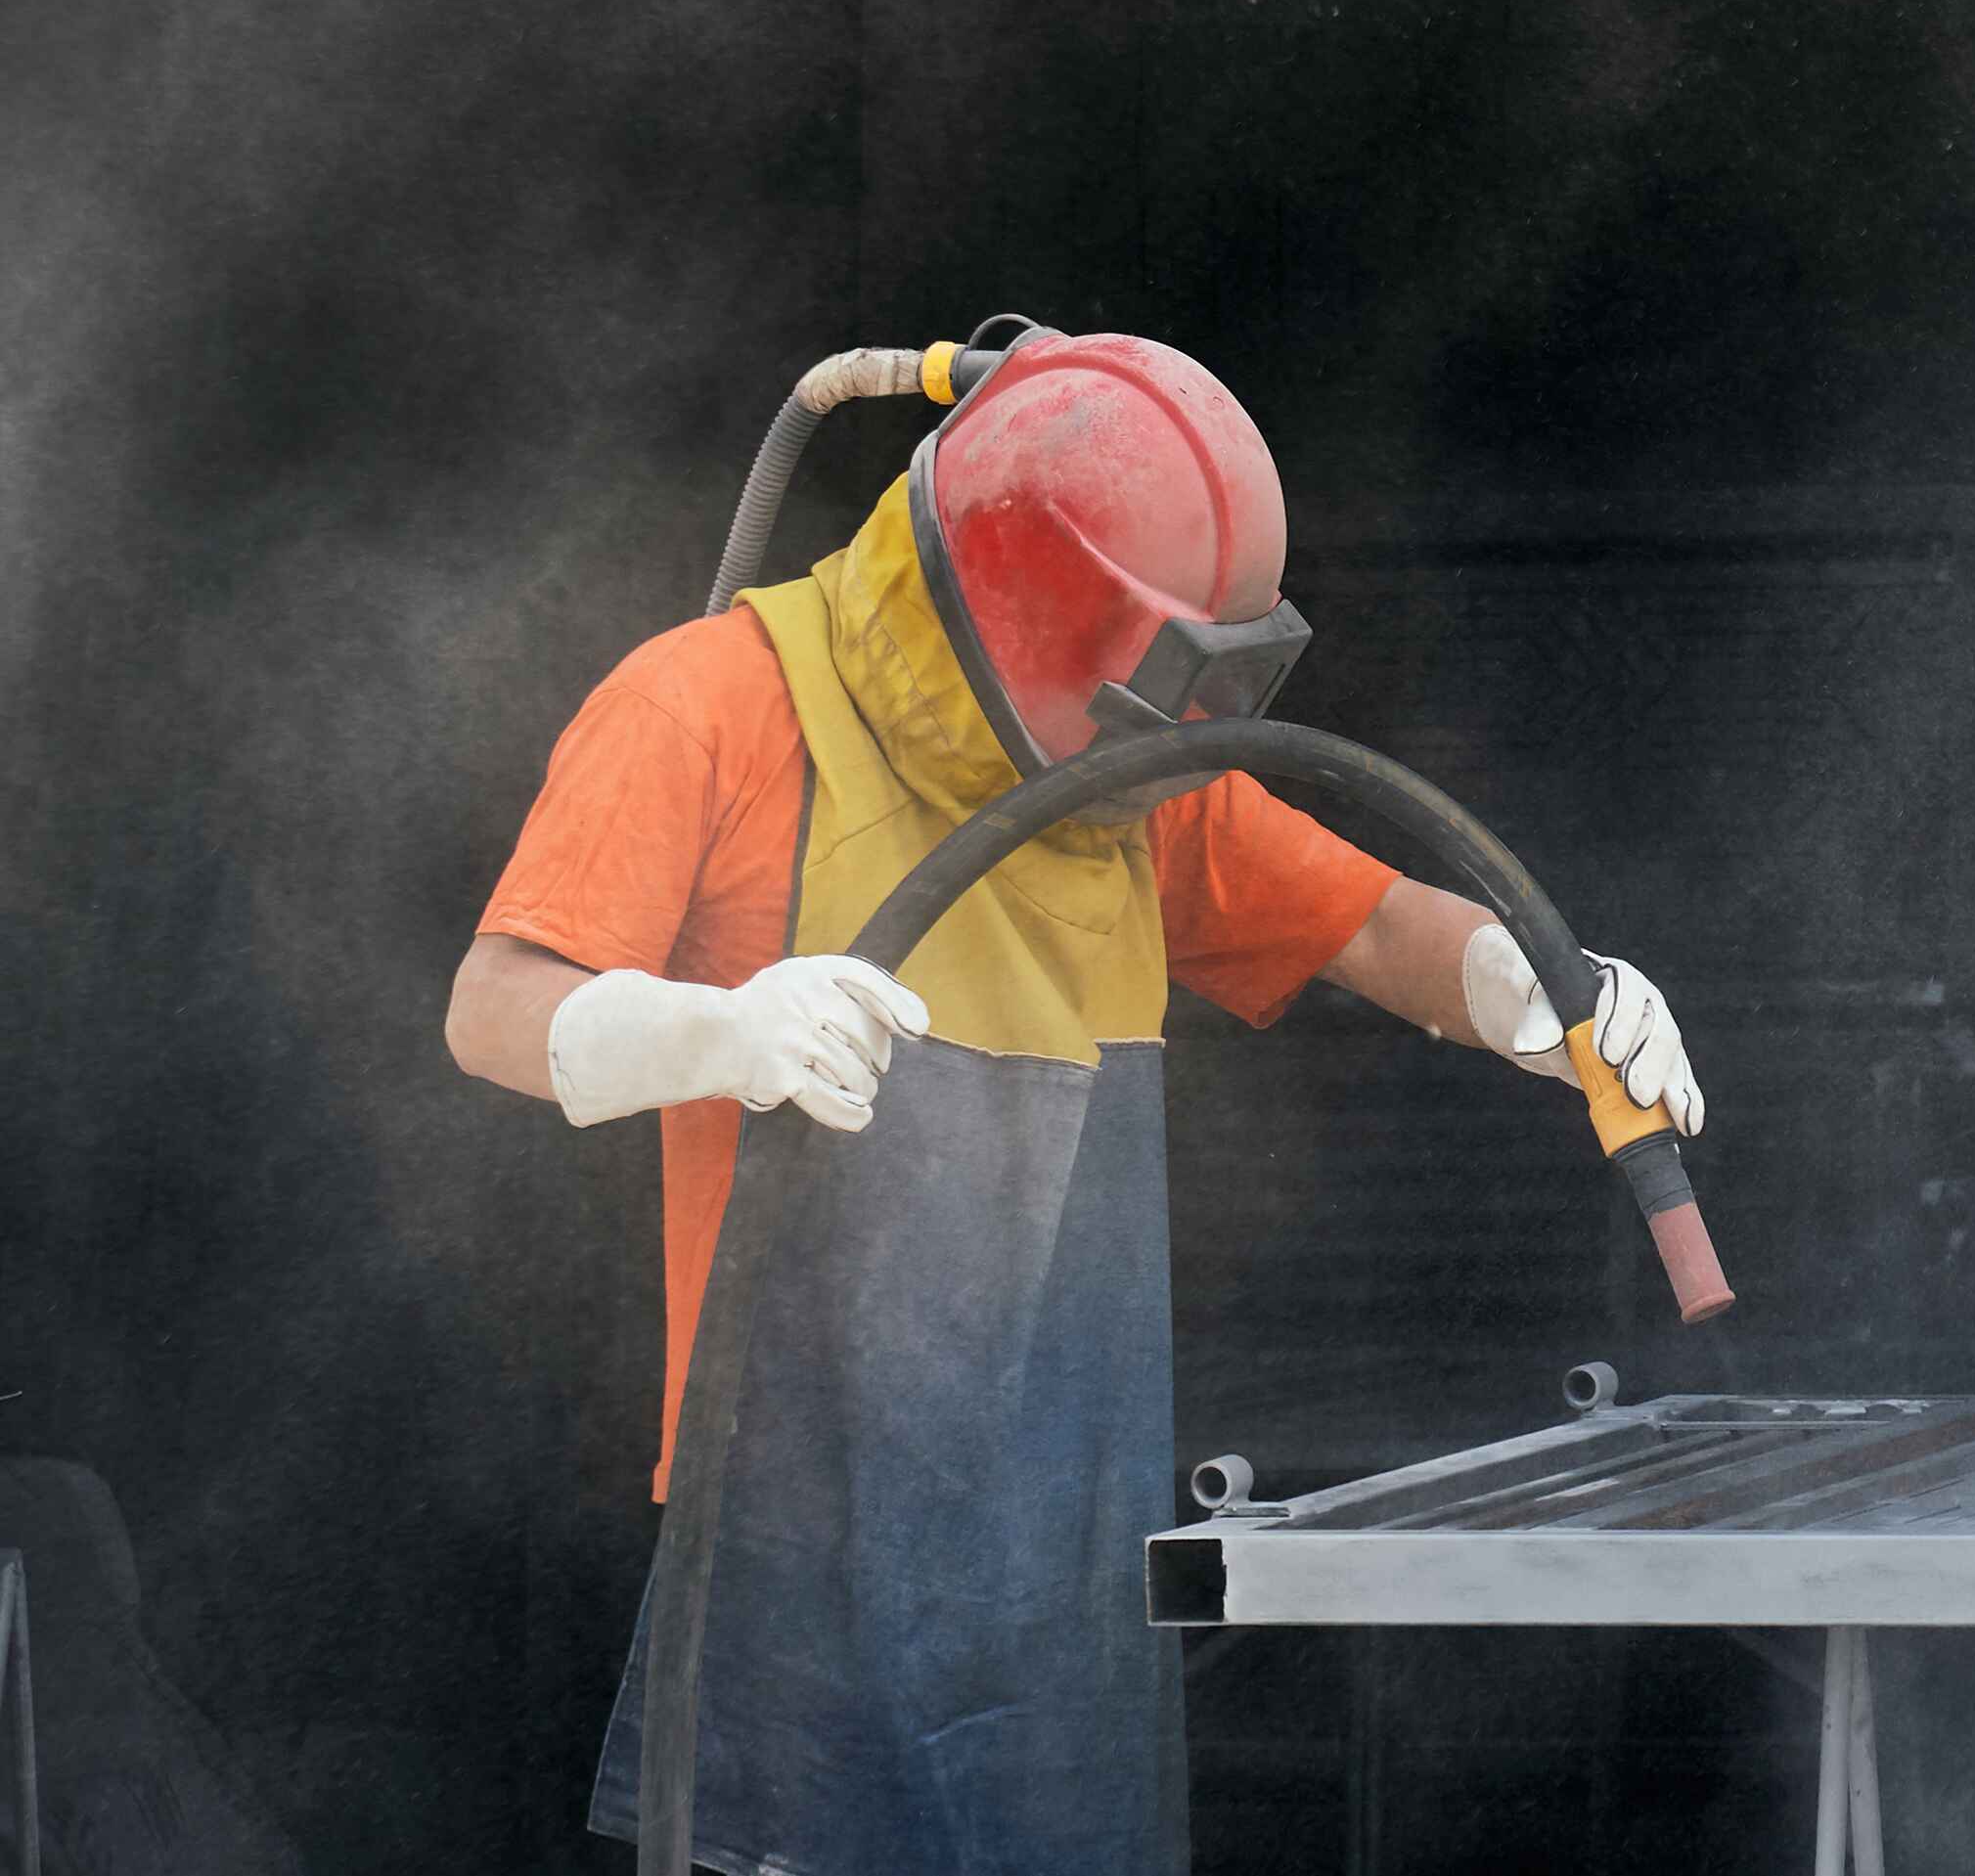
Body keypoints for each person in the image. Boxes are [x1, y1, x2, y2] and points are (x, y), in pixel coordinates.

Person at [443, 328, 1700, 1874]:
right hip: (793, 1538)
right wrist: (707, 1030)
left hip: (1061, 1544)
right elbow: (495, 1003)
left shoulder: (1130, 775)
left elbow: (1370, 921)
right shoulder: (709, 701)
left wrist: (1532, 988)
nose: (1170, 744)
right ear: (1029, 611)